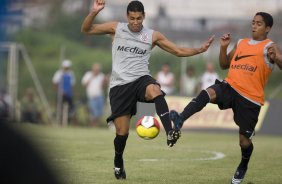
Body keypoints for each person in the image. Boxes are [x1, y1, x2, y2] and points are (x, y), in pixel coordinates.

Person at [81, 0, 214, 180]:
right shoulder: (116, 28)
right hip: (119, 86)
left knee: (155, 91)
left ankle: (169, 132)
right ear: (127, 17)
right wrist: (94, 11)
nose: (135, 22)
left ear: (144, 16)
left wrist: (200, 49)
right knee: (122, 133)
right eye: (132, 18)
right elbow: (86, 29)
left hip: (141, 79)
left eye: (139, 18)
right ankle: (118, 161)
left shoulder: (152, 35)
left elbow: (178, 51)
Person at [169, 12, 282, 184]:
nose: (254, 26)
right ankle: (180, 119)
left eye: (259, 24)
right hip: (230, 86)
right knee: (208, 92)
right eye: (253, 22)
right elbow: (223, 65)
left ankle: (243, 165)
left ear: (267, 28)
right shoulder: (242, 43)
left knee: (244, 142)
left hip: (250, 99)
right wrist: (223, 47)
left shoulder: (270, 47)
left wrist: (278, 57)